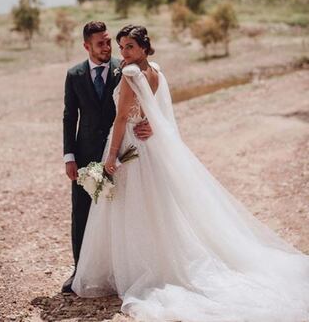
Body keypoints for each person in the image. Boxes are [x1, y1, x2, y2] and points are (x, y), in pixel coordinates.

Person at [71, 25, 309, 321]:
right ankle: (144, 262)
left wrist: (111, 156)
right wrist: (150, 125)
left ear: (145, 47)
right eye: (121, 47)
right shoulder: (155, 70)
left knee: (133, 207)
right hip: (148, 148)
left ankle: (139, 268)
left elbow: (122, 117)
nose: (124, 53)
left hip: (131, 146)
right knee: (153, 205)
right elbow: (157, 111)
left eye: (129, 47)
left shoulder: (131, 73)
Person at [61, 21, 152, 294]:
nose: (107, 47)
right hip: (86, 152)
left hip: (120, 150)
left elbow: (145, 99)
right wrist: (69, 156)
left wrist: (149, 123)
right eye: (100, 43)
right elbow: (69, 117)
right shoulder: (74, 74)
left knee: (118, 209)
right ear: (86, 46)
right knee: (82, 210)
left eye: (108, 41)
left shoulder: (124, 66)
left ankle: (117, 269)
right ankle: (80, 270)